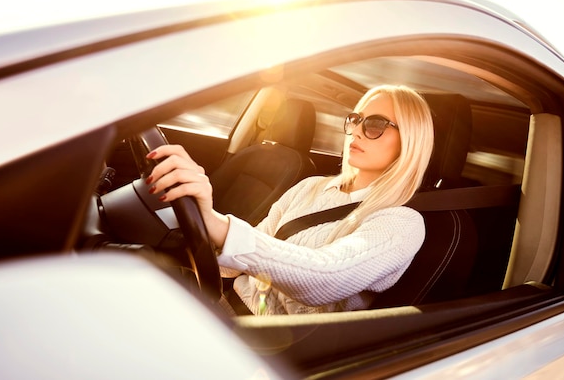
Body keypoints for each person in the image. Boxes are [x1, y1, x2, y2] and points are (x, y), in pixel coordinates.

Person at [146, 84, 435, 315]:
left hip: (276, 347)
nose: (357, 131)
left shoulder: (402, 223)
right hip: (225, 306)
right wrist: (181, 243)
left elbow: (325, 278)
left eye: (374, 124)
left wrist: (214, 223)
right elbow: (237, 264)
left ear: (409, 140)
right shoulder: (310, 187)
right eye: (355, 120)